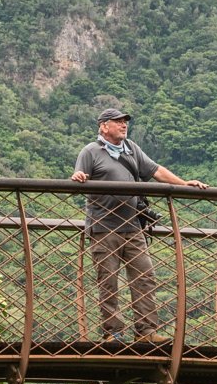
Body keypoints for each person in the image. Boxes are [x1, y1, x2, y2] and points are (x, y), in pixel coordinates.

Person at [70, 107, 206, 342]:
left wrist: (183, 184)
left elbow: (156, 171)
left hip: (132, 226)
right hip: (103, 227)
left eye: (125, 122)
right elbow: (79, 175)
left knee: (144, 276)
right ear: (104, 126)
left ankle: (146, 332)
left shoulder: (131, 149)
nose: (124, 125)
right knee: (108, 281)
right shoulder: (90, 151)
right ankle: (112, 333)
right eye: (118, 122)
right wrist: (80, 177)